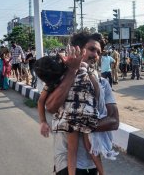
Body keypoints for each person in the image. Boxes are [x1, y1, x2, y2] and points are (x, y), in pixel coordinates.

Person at [43, 32, 120, 175]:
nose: (96, 55)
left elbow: (114, 121)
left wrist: (80, 125)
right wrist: (72, 71)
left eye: (99, 52)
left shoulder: (103, 83)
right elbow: (50, 106)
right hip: (64, 163)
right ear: (77, 49)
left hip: (90, 164)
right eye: (91, 49)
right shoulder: (60, 78)